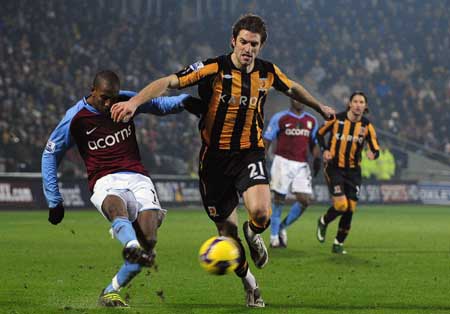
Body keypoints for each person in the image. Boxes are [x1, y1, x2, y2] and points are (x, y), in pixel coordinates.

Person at [110, 14, 335, 307]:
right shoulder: (213, 67)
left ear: (260, 46)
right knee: (227, 239)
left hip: (249, 153)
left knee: (261, 214)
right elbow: (168, 81)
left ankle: (254, 234)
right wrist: (134, 102)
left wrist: (319, 106)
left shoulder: (267, 72)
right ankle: (251, 284)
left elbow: (292, 87)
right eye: (243, 42)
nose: (248, 48)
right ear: (233, 41)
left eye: (254, 44)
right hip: (213, 161)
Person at [41, 70, 199, 307]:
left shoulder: (124, 100)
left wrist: (185, 102)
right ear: (92, 90)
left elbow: (157, 104)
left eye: (112, 97)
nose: (109, 103)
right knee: (117, 208)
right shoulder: (76, 117)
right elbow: (50, 154)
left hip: (138, 177)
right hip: (104, 179)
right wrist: (54, 200)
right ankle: (130, 245)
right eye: (104, 97)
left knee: (149, 241)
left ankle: (110, 291)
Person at [316, 91, 380, 254]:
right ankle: (323, 220)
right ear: (350, 104)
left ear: (365, 106)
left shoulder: (367, 126)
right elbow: (319, 134)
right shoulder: (336, 119)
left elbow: (375, 147)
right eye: (356, 101)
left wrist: (373, 154)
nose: (358, 105)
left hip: (353, 172)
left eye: (362, 102)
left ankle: (338, 243)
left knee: (350, 208)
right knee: (341, 205)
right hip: (334, 167)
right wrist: (324, 150)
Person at [263, 99, 321, 248]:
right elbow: (268, 139)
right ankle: (274, 236)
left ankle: (282, 227)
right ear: (290, 99)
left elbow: (314, 142)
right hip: (282, 161)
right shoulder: (280, 117)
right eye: (295, 98)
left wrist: (317, 159)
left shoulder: (311, 120)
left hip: (301, 164)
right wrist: (261, 159)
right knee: (279, 199)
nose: (298, 101)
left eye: (301, 98)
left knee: (305, 200)